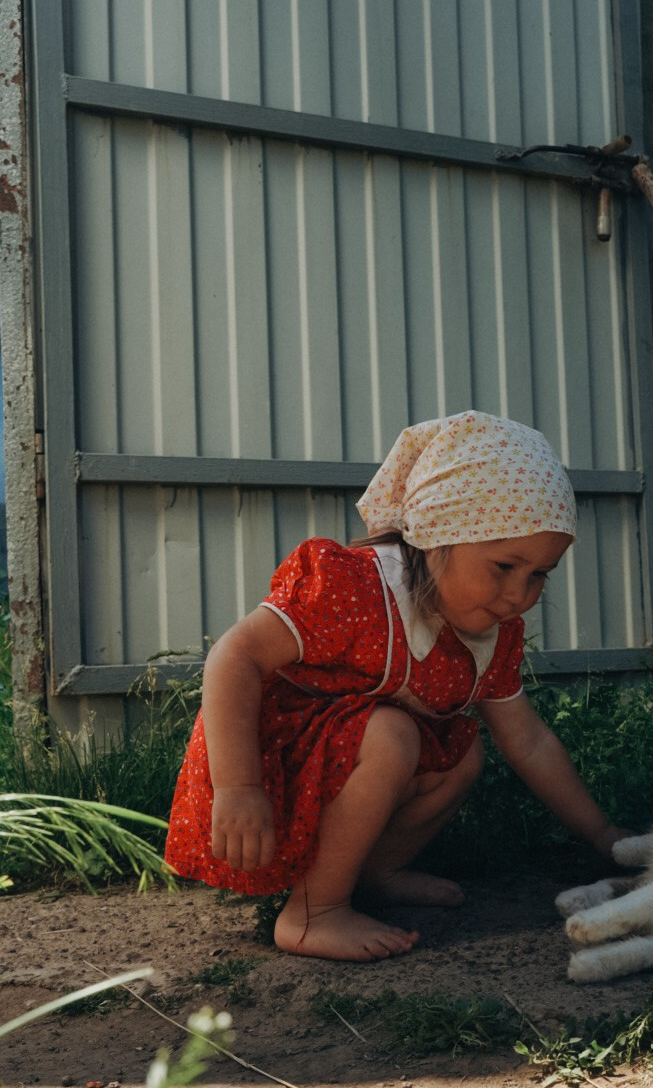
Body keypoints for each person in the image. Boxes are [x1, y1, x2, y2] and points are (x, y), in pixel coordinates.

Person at [165, 410, 627, 962]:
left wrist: (603, 835)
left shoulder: (492, 635)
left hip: (348, 766)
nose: (518, 595)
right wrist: (240, 788)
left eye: (538, 575)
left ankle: (375, 872)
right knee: (393, 735)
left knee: (459, 752)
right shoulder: (354, 587)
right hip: (270, 774)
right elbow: (234, 656)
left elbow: (528, 741)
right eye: (504, 566)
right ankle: (313, 913)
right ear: (437, 538)